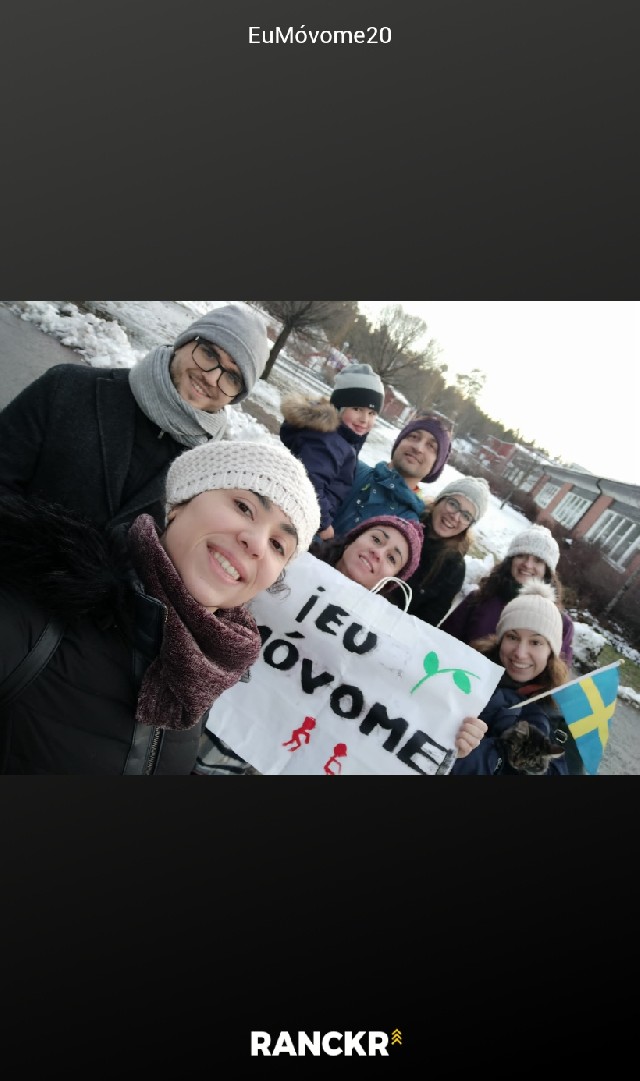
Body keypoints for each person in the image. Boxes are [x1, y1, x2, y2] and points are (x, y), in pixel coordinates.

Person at [0, 440, 321, 774]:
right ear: (180, 504)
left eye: (277, 545)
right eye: (244, 507)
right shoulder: (39, 608)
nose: (255, 543)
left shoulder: (205, 669)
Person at [194, 513, 487, 774]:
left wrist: (449, 735)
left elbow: (391, 718)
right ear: (352, 539)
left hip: (249, 755)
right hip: (195, 707)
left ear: (392, 582)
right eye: (376, 538)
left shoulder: (387, 648)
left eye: (392, 558)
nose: (378, 552)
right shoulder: (286, 564)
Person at [0, 302, 270, 530]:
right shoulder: (67, 388)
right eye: (209, 353)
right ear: (184, 343)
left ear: (236, 396)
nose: (211, 377)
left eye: (232, 377)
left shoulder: (213, 477)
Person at [451, 580, 575, 775]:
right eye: (513, 637)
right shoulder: (465, 671)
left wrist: (474, 754)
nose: (520, 653)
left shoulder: (553, 714)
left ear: (551, 652)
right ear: (500, 638)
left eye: (535, 642)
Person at [441, 523, 574, 665]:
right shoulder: (478, 599)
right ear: (510, 560)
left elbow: (556, 676)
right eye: (521, 555)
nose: (528, 565)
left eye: (538, 560)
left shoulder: (560, 624)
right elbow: (443, 643)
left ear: (547, 571)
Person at [279, 362, 385, 540]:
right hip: (300, 518)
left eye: (372, 413)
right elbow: (311, 483)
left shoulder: (345, 438)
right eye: (357, 409)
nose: (364, 419)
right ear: (338, 407)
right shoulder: (329, 441)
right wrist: (324, 524)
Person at [331, 415, 452, 537]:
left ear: (436, 465)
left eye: (431, 446)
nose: (418, 448)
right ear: (399, 442)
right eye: (414, 437)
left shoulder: (408, 526)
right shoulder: (349, 468)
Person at [396, 476, 492, 628]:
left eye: (466, 516)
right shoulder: (406, 519)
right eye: (453, 504)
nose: (455, 516)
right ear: (440, 500)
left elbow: (425, 623)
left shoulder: (453, 568)